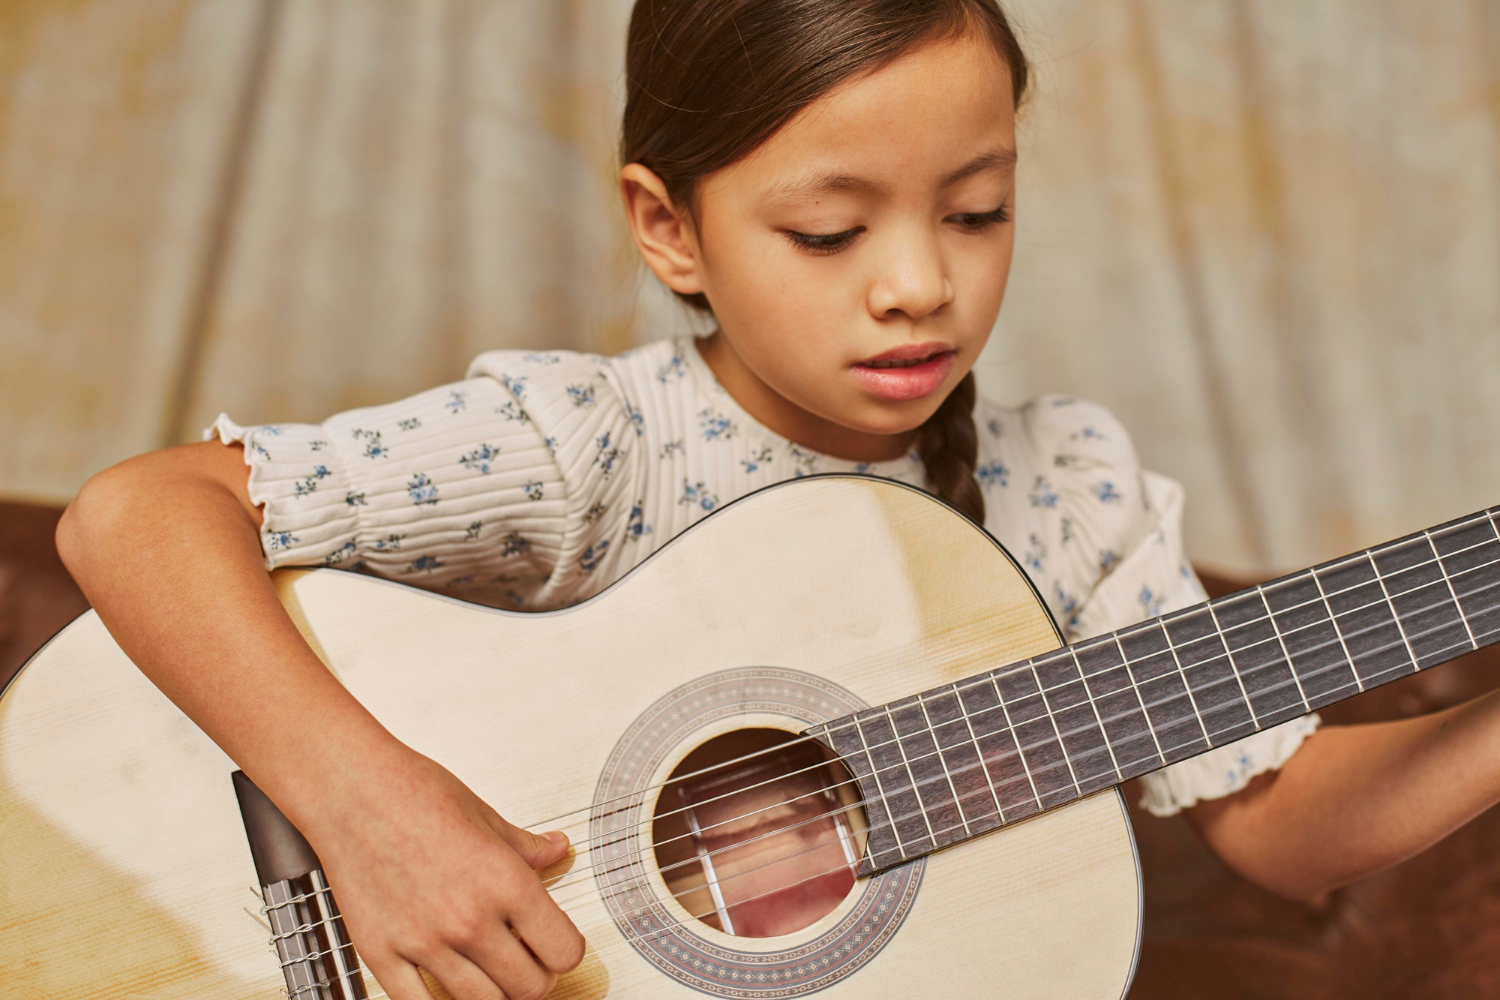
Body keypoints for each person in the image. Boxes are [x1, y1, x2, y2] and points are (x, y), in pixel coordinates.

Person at [55, 2, 1500, 998]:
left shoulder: (1063, 490)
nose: (920, 281)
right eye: (829, 228)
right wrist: (368, 810)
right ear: (668, 229)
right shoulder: (591, 441)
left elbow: (1275, 822)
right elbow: (132, 517)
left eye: (979, 210)